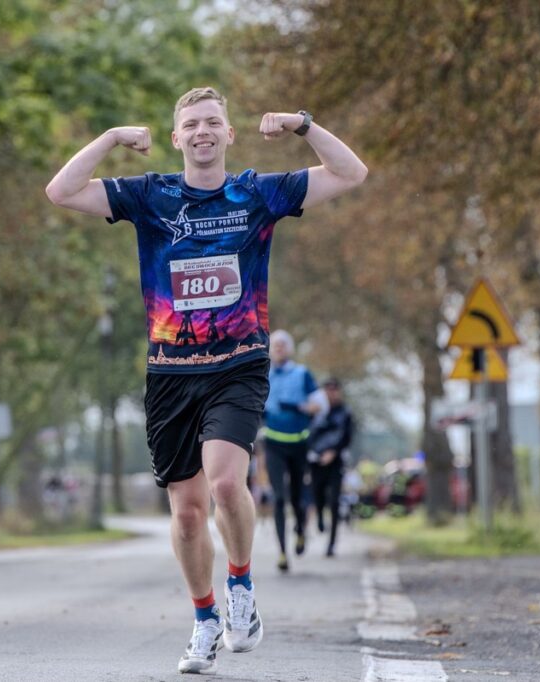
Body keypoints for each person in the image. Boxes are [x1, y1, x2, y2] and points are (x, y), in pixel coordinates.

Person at [45, 86, 367, 675]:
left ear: (228, 133)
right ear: (176, 138)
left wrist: (303, 124)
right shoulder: (150, 196)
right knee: (188, 513)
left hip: (238, 365)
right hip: (170, 374)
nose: (202, 131)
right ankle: (204, 619)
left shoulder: (257, 193)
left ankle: (240, 586)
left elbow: (350, 173)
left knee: (224, 485)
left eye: (212, 122)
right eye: (191, 123)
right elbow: (61, 191)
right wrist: (113, 138)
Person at [263, 330, 325, 572]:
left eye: (282, 345)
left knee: (299, 497)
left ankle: (300, 530)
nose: (278, 348)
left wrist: (301, 407)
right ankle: (281, 552)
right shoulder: (263, 375)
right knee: (278, 497)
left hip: (299, 443)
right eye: (275, 345)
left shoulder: (302, 374)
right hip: (273, 443)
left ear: (290, 349)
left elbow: (319, 405)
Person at [306, 377, 354, 556]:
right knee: (317, 495)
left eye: (334, 390)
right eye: (328, 390)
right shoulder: (316, 412)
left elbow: (347, 436)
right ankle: (319, 516)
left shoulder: (345, 412)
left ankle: (331, 544)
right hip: (316, 461)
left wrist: (333, 452)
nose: (331, 394)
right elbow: (308, 434)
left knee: (334, 501)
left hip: (336, 462)